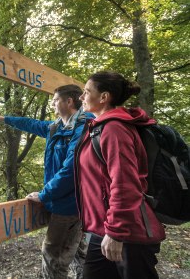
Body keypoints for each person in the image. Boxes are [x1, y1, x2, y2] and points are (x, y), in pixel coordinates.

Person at [0, 84, 93, 279]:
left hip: (69, 206)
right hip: (67, 203)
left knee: (53, 258)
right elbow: (30, 124)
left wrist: (44, 195)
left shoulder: (84, 128)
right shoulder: (57, 127)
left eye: (55, 100)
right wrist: (5, 119)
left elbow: (71, 171)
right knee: (78, 254)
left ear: (69, 101)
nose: (53, 104)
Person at [75, 71, 166, 279]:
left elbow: (125, 184)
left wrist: (116, 232)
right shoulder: (99, 127)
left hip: (127, 232)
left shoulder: (114, 129)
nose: (81, 97)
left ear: (104, 97)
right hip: (105, 228)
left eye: (86, 92)